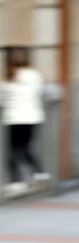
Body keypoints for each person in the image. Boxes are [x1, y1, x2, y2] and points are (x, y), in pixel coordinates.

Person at [1, 47, 47, 192]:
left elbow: (1, 99)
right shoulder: (35, 75)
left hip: (13, 118)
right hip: (33, 117)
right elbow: (40, 92)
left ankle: (16, 182)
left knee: (13, 150)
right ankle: (39, 173)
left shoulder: (8, 77)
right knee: (26, 147)